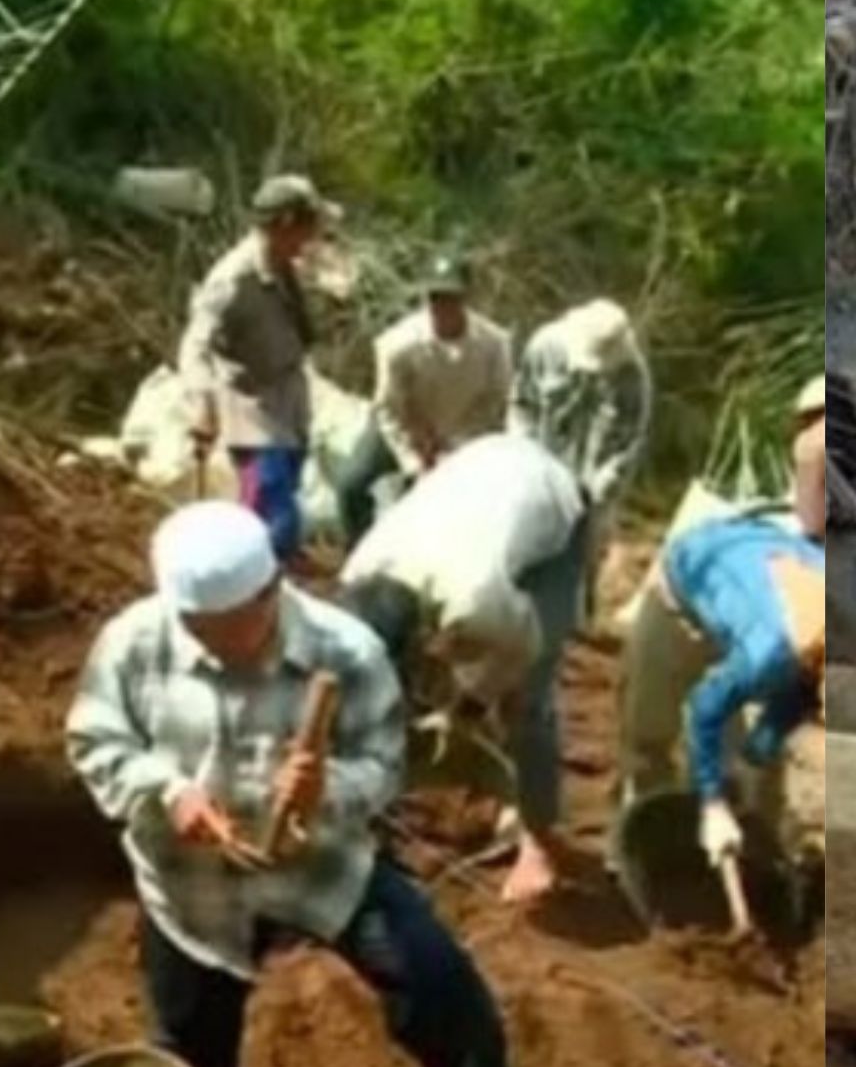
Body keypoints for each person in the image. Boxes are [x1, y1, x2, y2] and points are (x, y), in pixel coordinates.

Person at [66, 502, 564, 1067]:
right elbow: (95, 740)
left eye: (232, 628)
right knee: (188, 1040)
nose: (217, 646)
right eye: (197, 631)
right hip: (193, 883)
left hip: (321, 865)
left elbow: (385, 766)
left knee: (438, 983)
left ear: (270, 592)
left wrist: (325, 791)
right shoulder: (132, 644)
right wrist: (169, 792)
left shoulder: (346, 652)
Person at [336, 433, 586, 905]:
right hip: (478, 480)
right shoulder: (357, 573)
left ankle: (539, 847)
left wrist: (467, 708)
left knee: (526, 703)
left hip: (547, 506)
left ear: (422, 641)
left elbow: (519, 654)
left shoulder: (476, 601)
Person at [610, 379, 825, 891]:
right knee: (651, 735)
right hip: (677, 608)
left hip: (745, 610)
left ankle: (752, 867)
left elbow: (784, 710)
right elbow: (704, 710)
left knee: (753, 768)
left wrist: (748, 764)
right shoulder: (779, 646)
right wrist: (711, 805)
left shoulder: (818, 636)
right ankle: (641, 861)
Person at [176, 174, 340, 563]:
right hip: (251, 411)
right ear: (284, 224)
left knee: (284, 502)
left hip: (289, 402)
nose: (310, 238)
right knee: (273, 518)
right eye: (306, 228)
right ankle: (251, 586)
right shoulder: (233, 280)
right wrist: (202, 403)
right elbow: (195, 345)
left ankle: (268, 582)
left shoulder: (283, 265)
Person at [335, 256, 515, 542]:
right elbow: (389, 409)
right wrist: (414, 462)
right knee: (351, 484)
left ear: (465, 297)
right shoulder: (396, 344)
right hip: (404, 426)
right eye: (435, 297)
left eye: (450, 298)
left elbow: (495, 404)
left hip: (465, 431)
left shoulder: (494, 344)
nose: (442, 307)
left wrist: (457, 448)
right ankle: (359, 554)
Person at [509, 298, 652, 623]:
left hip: (592, 485)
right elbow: (521, 405)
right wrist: (523, 456)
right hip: (538, 469)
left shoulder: (633, 376)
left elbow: (627, 445)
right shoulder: (545, 347)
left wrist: (595, 491)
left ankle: (575, 624)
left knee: (582, 559)